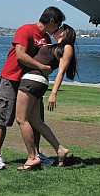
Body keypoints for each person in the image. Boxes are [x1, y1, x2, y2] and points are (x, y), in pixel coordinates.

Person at [0, 6, 65, 170]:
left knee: (36, 120)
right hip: (11, 79)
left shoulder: (46, 37)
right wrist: (41, 66)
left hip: (30, 83)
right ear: (51, 21)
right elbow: (20, 55)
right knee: (2, 118)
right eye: (58, 25)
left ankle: (35, 155)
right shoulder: (25, 30)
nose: (58, 29)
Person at [15, 24, 77, 170]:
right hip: (35, 81)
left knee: (21, 119)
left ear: (66, 33)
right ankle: (60, 149)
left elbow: (61, 72)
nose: (57, 31)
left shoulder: (67, 47)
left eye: (60, 29)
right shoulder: (55, 45)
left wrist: (54, 93)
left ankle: (32, 157)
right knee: (36, 121)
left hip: (32, 81)